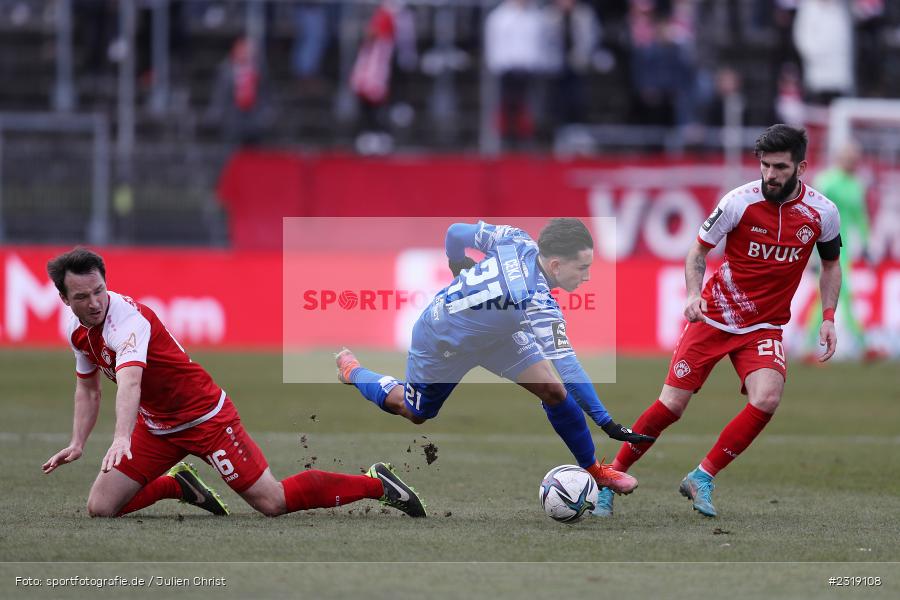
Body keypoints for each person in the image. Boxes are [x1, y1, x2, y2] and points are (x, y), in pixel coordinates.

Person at [42, 248, 426, 519]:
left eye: (99, 291)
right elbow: (88, 388)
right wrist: (78, 442)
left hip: (206, 419)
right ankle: (181, 487)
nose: (94, 302)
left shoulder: (127, 321)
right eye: (82, 296)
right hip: (157, 428)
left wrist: (121, 438)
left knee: (272, 502)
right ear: (64, 298)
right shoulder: (76, 329)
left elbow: (129, 385)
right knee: (101, 507)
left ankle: (377, 484)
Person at [594, 124, 842, 518]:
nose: (770, 175)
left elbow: (830, 266)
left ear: (802, 167)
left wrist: (828, 316)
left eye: (780, 167)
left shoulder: (823, 213)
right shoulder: (737, 203)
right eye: (764, 165)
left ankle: (703, 475)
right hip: (715, 317)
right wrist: (693, 294)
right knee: (671, 406)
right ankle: (612, 474)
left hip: (763, 326)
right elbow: (696, 251)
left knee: (768, 397)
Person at [336, 218, 655, 496]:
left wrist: (456, 261)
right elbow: (568, 365)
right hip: (441, 340)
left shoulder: (514, 239)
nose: (586, 276)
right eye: (582, 268)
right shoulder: (536, 300)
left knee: (553, 391)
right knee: (414, 412)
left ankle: (594, 470)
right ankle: (354, 372)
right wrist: (608, 423)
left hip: (497, 338)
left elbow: (456, 232)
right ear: (556, 265)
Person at [805, 140, 870, 358]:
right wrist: (812, 254)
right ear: (840, 158)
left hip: (845, 248)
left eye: (855, 158)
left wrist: (866, 243)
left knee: (837, 294)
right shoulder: (826, 182)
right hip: (823, 244)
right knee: (837, 293)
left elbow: (859, 217)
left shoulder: (856, 185)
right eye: (849, 157)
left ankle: (807, 347)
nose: (853, 162)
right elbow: (812, 214)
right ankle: (863, 345)